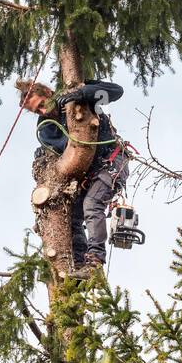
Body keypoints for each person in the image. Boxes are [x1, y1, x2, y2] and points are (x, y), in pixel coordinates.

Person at [17, 77, 130, 275]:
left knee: (92, 204)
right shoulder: (46, 128)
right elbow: (65, 150)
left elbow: (116, 91)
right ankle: (79, 267)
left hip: (112, 162)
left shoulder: (79, 97)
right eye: (37, 111)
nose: (43, 112)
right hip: (88, 176)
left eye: (42, 105)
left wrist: (83, 91)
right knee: (72, 216)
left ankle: (94, 262)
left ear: (49, 93)